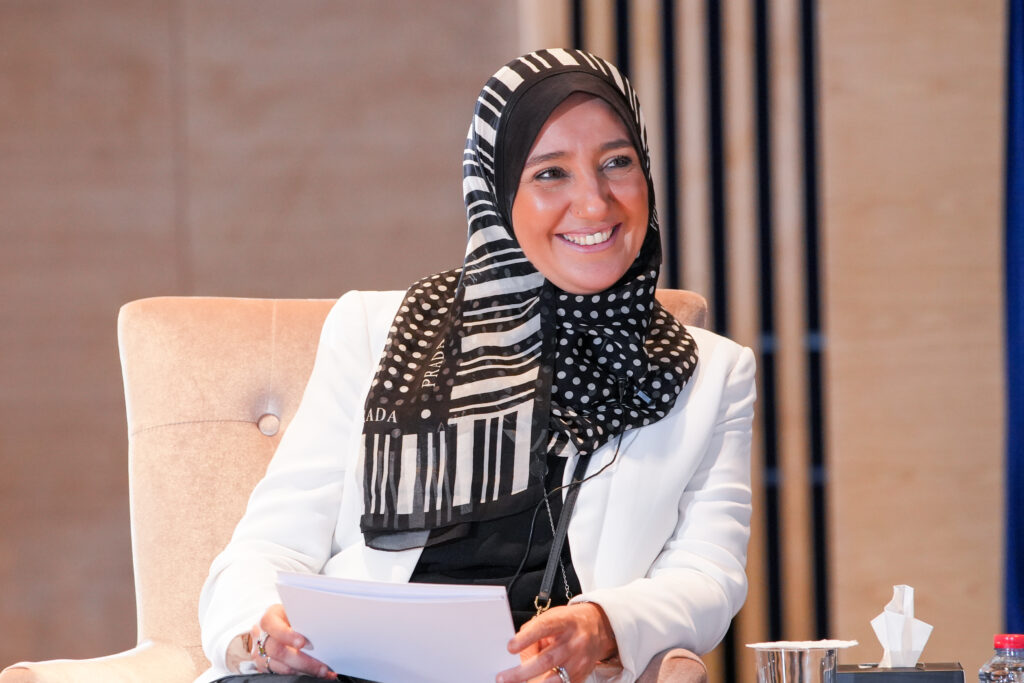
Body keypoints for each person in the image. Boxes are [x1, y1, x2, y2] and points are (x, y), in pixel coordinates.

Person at [196, 48, 755, 683]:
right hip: (357, 669)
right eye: (550, 174)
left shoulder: (712, 375)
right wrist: (260, 631)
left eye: (616, 163)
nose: (595, 204)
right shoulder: (377, 333)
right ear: (496, 189)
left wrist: (600, 625)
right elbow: (270, 545)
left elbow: (708, 573)